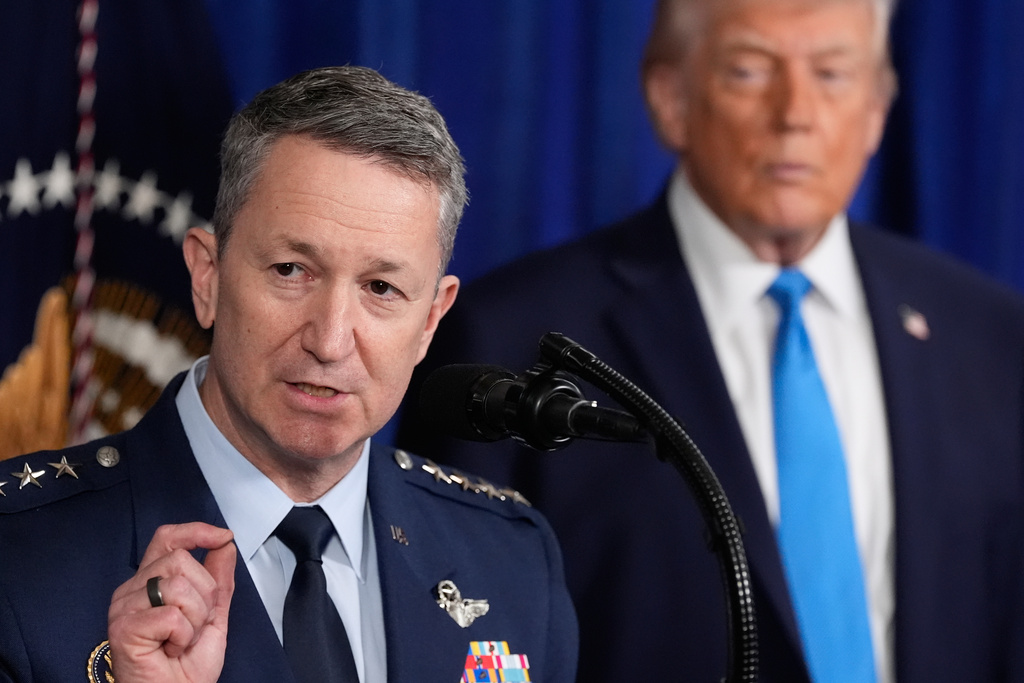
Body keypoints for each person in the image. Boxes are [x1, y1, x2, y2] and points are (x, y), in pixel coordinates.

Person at [398, 1, 1024, 681]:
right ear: (671, 99)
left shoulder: (988, 334)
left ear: (878, 109)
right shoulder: (512, 337)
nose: (796, 113)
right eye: (751, 72)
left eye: (833, 73)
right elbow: (459, 628)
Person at [0, 66, 577, 683]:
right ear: (208, 278)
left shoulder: (511, 561)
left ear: (431, 321)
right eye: (290, 271)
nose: (329, 341)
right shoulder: (18, 562)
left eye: (381, 288)